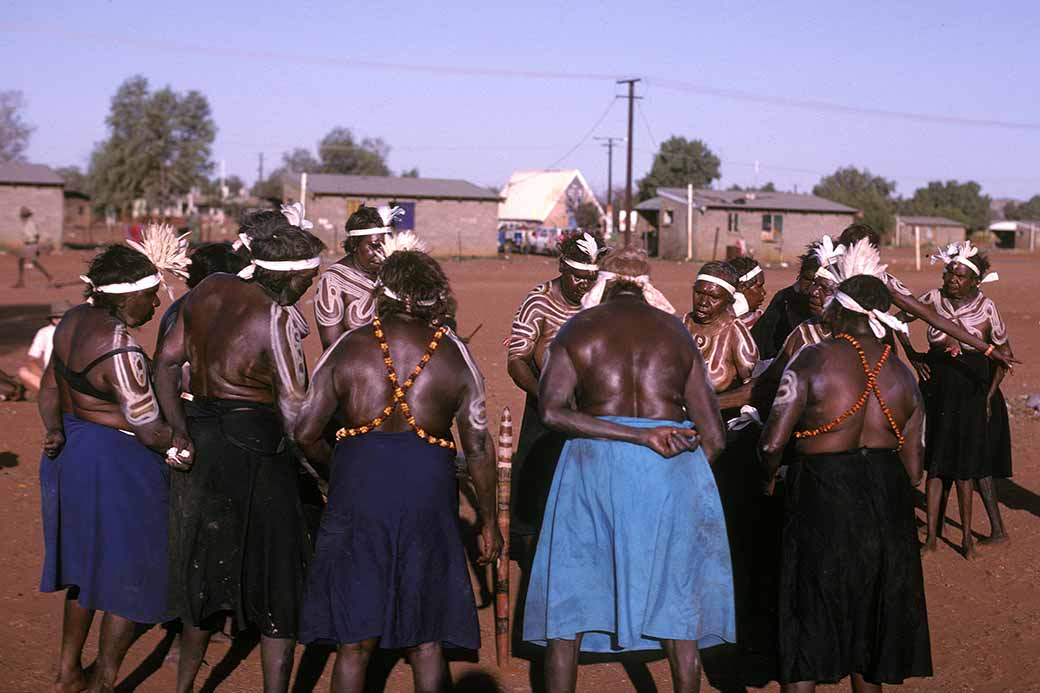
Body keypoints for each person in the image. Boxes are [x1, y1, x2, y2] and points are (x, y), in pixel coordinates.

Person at [523, 246, 734, 693]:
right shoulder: (677, 334)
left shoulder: (577, 330)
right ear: (647, 287)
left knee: (569, 604)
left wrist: (626, 437)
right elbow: (714, 435)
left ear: (602, 284)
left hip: (592, 470)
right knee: (679, 605)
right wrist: (677, 468)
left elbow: (553, 411)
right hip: (668, 470)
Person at [294, 248, 501, 692]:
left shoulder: (348, 347)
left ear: (380, 293)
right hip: (426, 496)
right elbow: (479, 447)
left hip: (358, 493)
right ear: (432, 297)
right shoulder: (454, 354)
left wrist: (339, 474)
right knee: (426, 640)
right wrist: (488, 521)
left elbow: (305, 432)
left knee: (353, 642)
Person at [154, 216, 325, 693]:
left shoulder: (208, 289)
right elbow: (296, 416)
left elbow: (166, 363)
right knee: (280, 581)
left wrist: (180, 431)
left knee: (204, 575)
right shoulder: (278, 318)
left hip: (204, 443)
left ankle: (184, 685)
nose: (309, 290)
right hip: (258, 449)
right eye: (308, 281)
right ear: (290, 276)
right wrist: (328, 469)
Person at [759, 274, 931, 692]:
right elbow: (914, 469)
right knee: (868, 622)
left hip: (822, 494)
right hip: (886, 502)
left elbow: (770, 444)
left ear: (839, 309)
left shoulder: (812, 359)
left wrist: (768, 483)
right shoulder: (902, 375)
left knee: (808, 613)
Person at [38, 243, 180, 692]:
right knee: (131, 576)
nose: (156, 305)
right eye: (151, 295)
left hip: (76, 453)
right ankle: (104, 682)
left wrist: (56, 429)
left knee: (86, 569)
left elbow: (49, 387)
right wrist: (185, 446)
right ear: (125, 296)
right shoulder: (121, 349)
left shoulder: (73, 322)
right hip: (118, 467)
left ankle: (67, 672)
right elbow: (150, 430)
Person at [898, 242, 1012, 558]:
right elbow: (898, 320)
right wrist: (912, 354)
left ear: (975, 281)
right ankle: (933, 537)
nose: (952, 280)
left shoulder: (987, 308)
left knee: (970, 464)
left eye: (960, 276)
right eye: (949, 273)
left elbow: (1004, 357)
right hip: (937, 390)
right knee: (936, 459)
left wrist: (988, 398)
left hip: (974, 394)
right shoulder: (933, 299)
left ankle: (972, 537)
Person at [507, 231, 600, 560]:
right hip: (544, 405)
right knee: (537, 480)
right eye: (577, 277)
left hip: (589, 409)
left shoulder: (598, 302)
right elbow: (517, 359)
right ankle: (528, 547)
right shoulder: (539, 301)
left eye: (591, 278)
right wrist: (544, 396)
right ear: (562, 267)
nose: (583, 286)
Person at [837, 223, 1014, 370]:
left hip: (868, 349)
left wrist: (987, 350)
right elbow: (928, 316)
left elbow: (929, 316)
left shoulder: (884, 281)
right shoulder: (827, 277)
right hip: (851, 346)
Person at [314, 204, 401, 349]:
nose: (382, 253)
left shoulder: (391, 275)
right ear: (355, 244)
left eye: (386, 246)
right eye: (374, 246)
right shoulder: (333, 281)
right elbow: (332, 347)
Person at [684, 261, 759, 394]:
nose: (703, 302)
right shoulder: (680, 325)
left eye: (714, 297)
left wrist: (709, 406)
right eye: (699, 293)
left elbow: (750, 391)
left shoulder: (736, 335)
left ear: (729, 300)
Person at [750, 244, 820, 359]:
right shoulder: (783, 299)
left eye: (818, 284)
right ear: (799, 276)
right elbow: (758, 341)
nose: (813, 290)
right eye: (807, 280)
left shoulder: (832, 311)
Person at [17, 302, 70, 394]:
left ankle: (50, 393)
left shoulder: (78, 330)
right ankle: (51, 391)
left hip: (73, 374)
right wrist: (44, 376)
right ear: (52, 319)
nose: (60, 320)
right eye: (57, 317)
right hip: (51, 375)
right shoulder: (44, 332)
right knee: (23, 372)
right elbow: (31, 359)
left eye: (64, 317)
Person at [13, 206, 55, 289]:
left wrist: (36, 247)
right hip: (28, 245)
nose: (22, 216)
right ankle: (21, 281)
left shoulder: (30, 223)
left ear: (25, 215)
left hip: (31, 245)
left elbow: (36, 235)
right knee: (24, 261)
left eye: (23, 215)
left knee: (29, 262)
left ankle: (48, 276)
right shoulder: (25, 223)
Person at [728, 256, 767, 329]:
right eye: (759, 286)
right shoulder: (717, 323)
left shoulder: (761, 319)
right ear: (741, 287)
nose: (763, 292)